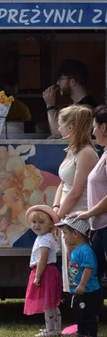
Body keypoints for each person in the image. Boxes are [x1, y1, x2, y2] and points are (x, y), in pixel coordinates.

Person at [52, 106, 96, 299]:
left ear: (70, 127)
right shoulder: (72, 151)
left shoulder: (86, 153)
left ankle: (85, 313)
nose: (58, 128)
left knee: (77, 263)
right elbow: (63, 183)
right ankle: (77, 312)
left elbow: (76, 191)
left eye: (61, 123)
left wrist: (57, 216)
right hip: (66, 214)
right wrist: (55, 208)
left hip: (78, 215)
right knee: (70, 264)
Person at [74, 106, 107, 284]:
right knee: (91, 278)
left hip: (104, 226)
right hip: (100, 227)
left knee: (91, 278)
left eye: (95, 126)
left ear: (104, 127)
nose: (93, 131)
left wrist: (87, 214)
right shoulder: (104, 153)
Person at [23, 205, 63, 337]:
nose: (36, 225)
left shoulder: (45, 238)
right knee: (52, 302)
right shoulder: (45, 237)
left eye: (41, 222)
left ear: (51, 224)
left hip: (45, 272)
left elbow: (43, 259)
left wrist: (37, 277)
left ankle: (50, 330)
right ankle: (56, 328)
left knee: (48, 303)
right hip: (49, 271)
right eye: (34, 222)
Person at [60, 217, 102, 337]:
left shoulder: (86, 251)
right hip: (79, 291)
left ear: (76, 234)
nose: (64, 237)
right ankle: (81, 333)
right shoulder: (75, 250)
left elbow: (88, 268)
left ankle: (91, 335)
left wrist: (82, 284)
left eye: (65, 233)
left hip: (89, 291)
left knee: (88, 314)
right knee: (79, 313)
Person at [45, 60, 99, 138]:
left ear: (72, 82)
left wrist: (50, 105)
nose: (57, 83)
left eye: (60, 79)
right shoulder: (79, 106)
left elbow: (57, 134)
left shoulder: (86, 108)